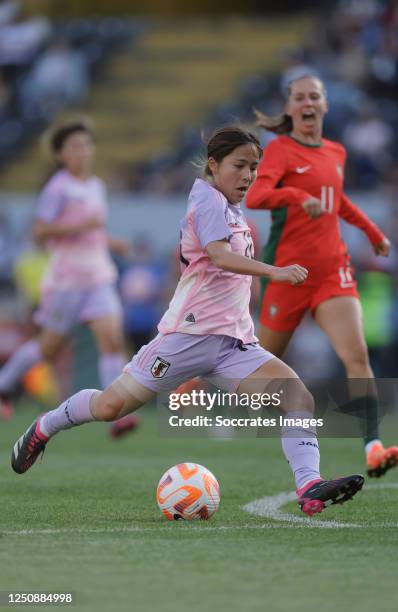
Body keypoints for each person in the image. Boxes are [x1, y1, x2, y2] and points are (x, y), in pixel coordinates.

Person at [11, 125, 365, 517]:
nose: (248, 175)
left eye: (254, 167)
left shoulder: (231, 207)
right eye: (240, 165)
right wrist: (275, 272)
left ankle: (309, 485)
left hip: (233, 344)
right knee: (111, 406)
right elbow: (219, 256)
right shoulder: (208, 200)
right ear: (213, 165)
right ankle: (45, 425)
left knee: (298, 397)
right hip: (186, 338)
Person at [247, 75, 398, 477]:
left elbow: (339, 200)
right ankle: (209, 393)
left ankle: (372, 446)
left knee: (356, 355)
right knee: (260, 364)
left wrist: (373, 233)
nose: (307, 103)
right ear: (291, 109)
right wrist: (298, 196)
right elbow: (256, 196)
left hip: (333, 270)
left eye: (313, 96)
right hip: (288, 273)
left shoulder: (336, 151)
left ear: (325, 104)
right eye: (299, 97)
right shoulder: (280, 150)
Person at [0, 119, 137, 438]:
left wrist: (111, 241)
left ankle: (116, 413)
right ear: (61, 154)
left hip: (99, 275)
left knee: (112, 339)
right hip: (67, 281)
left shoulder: (95, 186)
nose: (82, 151)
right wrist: (80, 227)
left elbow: (93, 231)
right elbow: (39, 232)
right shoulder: (57, 188)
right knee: (47, 350)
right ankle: (4, 385)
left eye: (86, 145)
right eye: (75, 146)